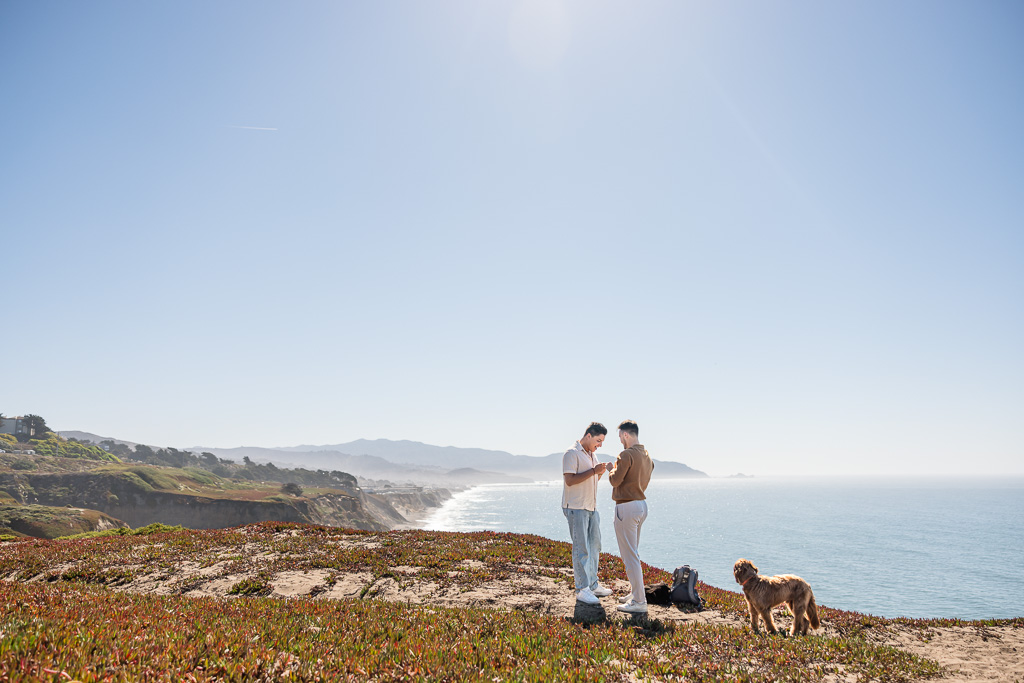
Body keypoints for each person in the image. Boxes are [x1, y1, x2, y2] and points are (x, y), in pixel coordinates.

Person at [562, 421, 614, 605]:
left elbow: (593, 479)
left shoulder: (592, 455)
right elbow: (569, 480)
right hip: (576, 507)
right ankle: (581, 589)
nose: (600, 445)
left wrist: (600, 472)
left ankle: (592, 585)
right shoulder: (572, 453)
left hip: (591, 507)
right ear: (589, 436)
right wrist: (593, 470)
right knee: (581, 549)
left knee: (594, 546)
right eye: (598, 440)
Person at [607, 419, 654, 614]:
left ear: (626, 435)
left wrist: (611, 469)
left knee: (630, 555)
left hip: (626, 507)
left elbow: (615, 480)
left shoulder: (626, 455)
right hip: (641, 505)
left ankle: (639, 601)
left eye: (620, 437)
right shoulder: (646, 455)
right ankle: (636, 592)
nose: (620, 441)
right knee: (633, 553)